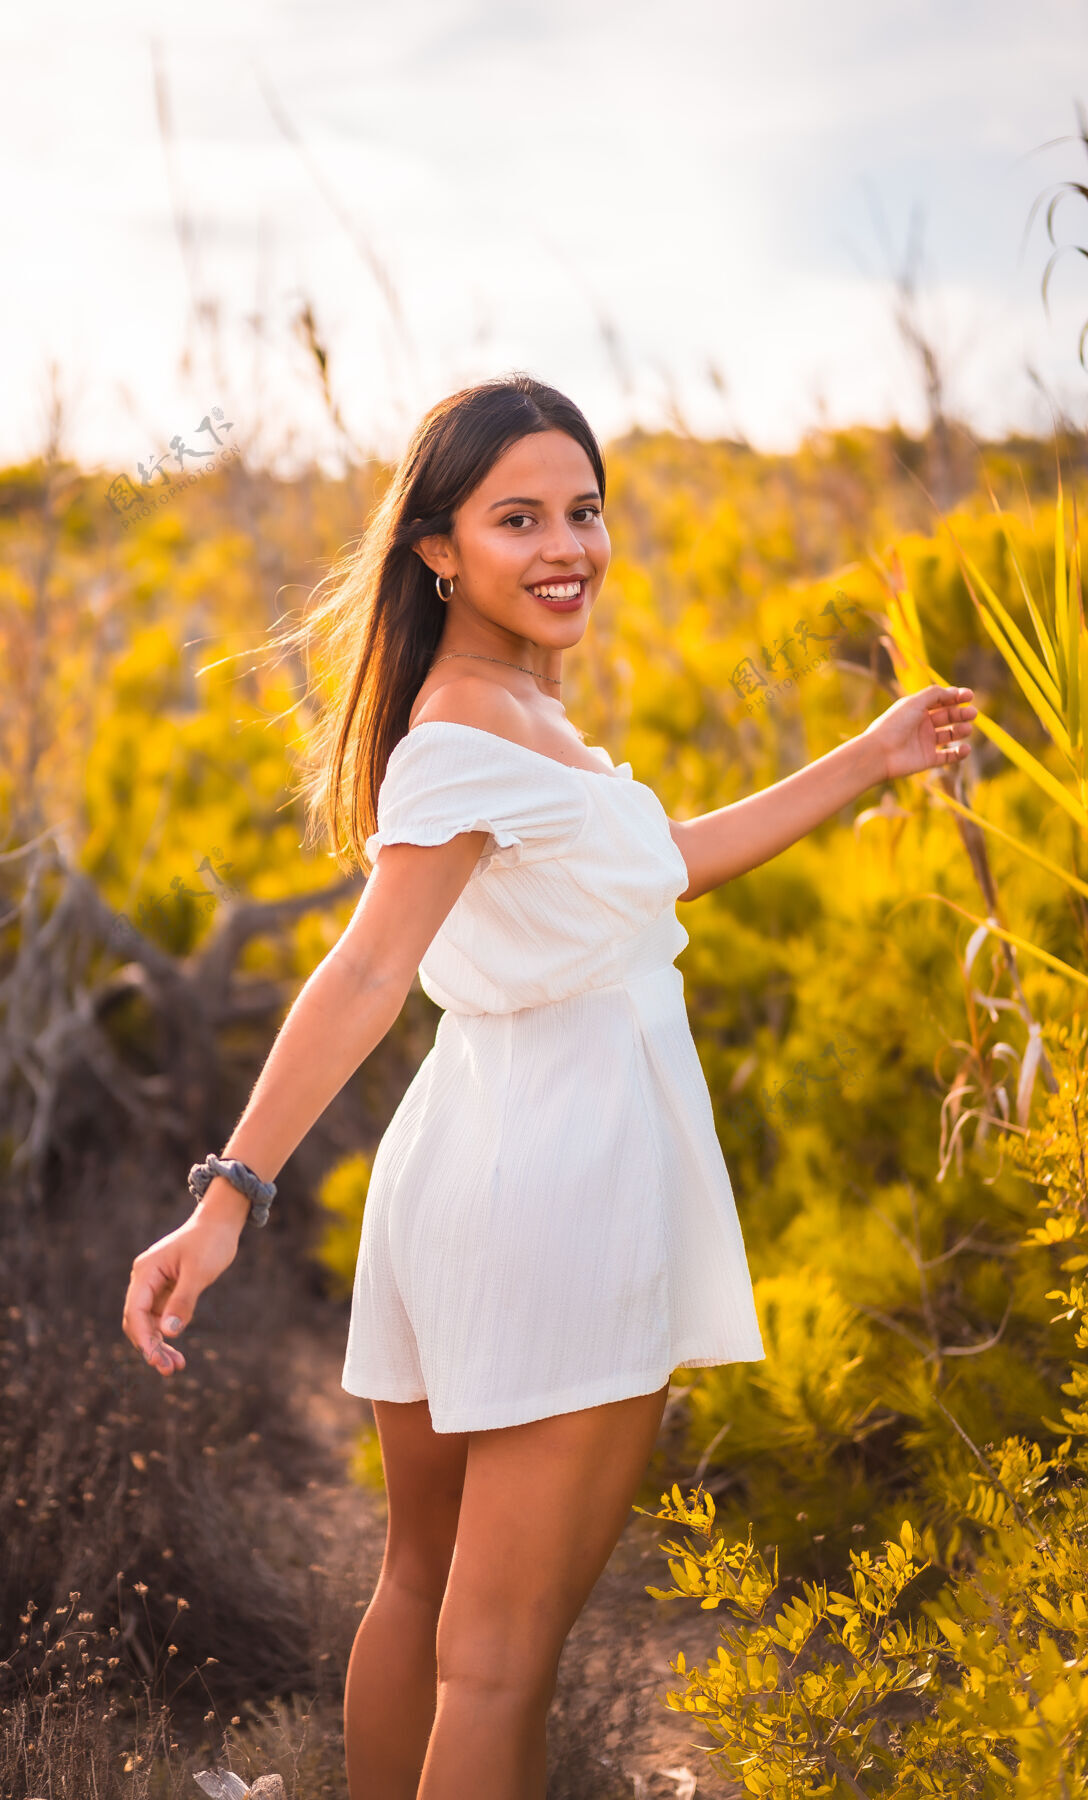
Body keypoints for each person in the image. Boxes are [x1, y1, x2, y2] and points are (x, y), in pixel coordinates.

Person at [121, 373, 977, 1800]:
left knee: (429, 1586)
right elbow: (365, 972)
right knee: (502, 1654)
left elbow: (665, 862)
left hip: (483, 1153)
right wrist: (229, 1197)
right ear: (438, 548)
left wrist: (870, 756)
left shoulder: (509, 711)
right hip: (558, 1184)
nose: (567, 545)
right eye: (518, 518)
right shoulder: (464, 731)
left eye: (583, 510)